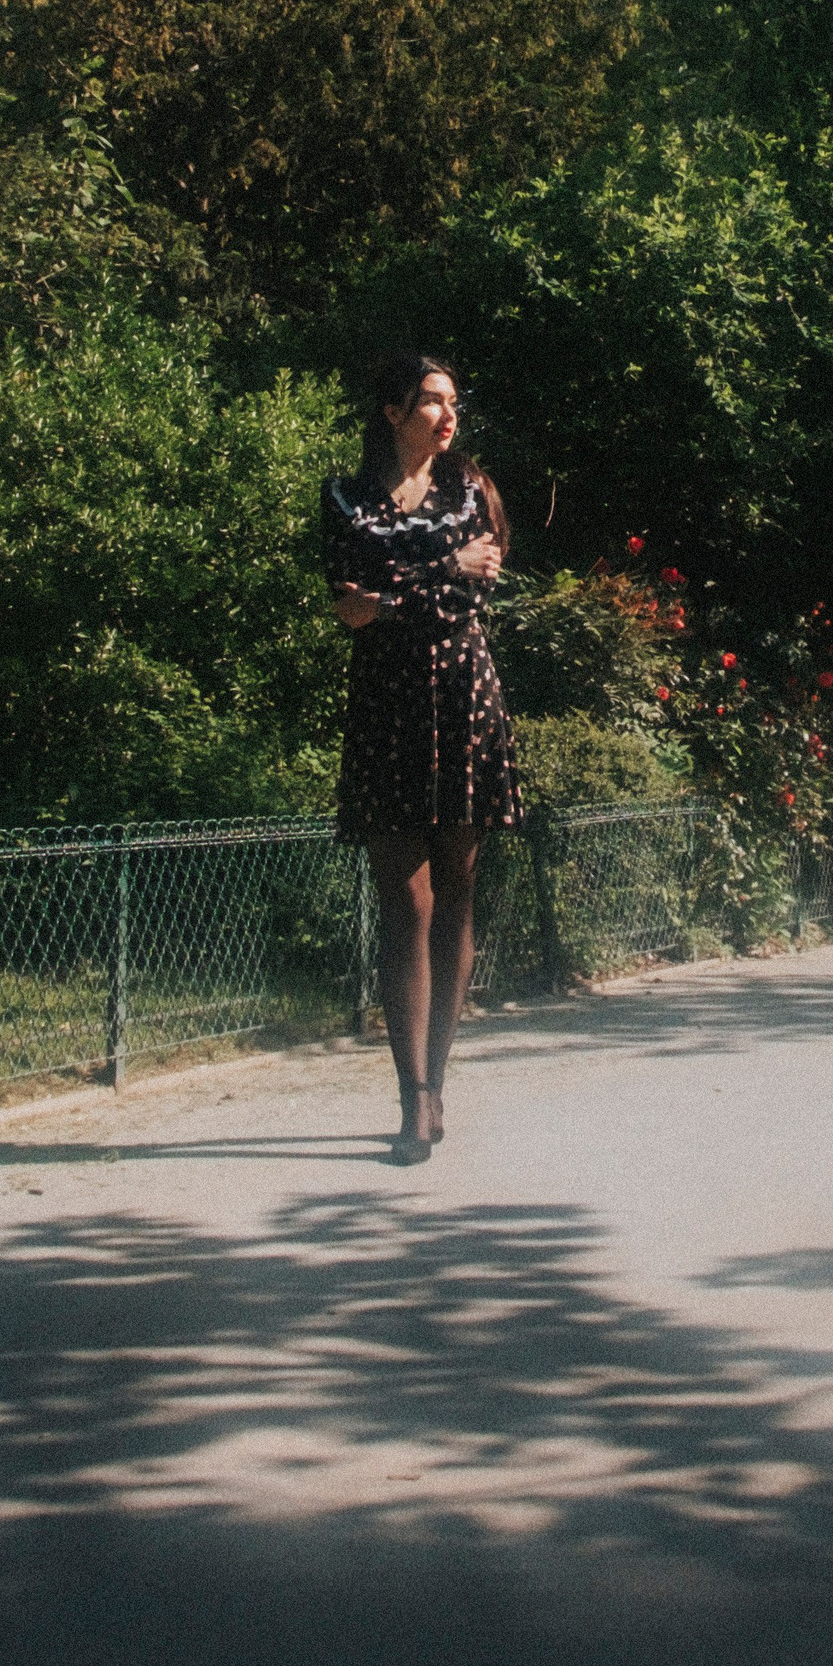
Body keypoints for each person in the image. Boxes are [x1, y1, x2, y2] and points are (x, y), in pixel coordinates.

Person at [321, 348, 522, 1162]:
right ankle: (411, 1096)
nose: (449, 415)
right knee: (404, 901)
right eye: (433, 402)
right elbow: (348, 606)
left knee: (458, 892)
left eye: (453, 402)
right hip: (386, 711)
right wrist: (438, 566)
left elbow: (475, 584)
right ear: (393, 411)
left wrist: (395, 585)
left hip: (463, 701)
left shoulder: (470, 489)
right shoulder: (345, 496)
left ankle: (436, 1081)